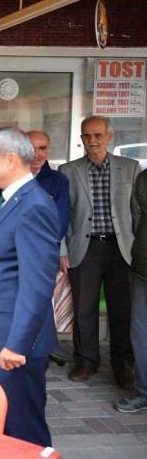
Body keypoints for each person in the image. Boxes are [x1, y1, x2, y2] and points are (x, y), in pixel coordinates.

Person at [0, 127, 60, 447]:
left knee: (25, 432)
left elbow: (36, 286)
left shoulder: (33, 205)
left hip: (15, 343)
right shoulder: (11, 199)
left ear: (11, 160)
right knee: (7, 428)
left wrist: (17, 345)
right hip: (0, 334)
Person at [59, 116, 141, 390]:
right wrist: (62, 249)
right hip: (85, 248)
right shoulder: (68, 171)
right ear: (81, 139)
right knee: (84, 308)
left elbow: (137, 212)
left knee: (122, 310)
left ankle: (123, 366)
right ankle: (85, 362)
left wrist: (139, 249)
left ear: (109, 137)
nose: (92, 141)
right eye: (86, 136)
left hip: (122, 249)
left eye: (97, 135)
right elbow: (62, 216)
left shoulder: (130, 167)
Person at [116, 168, 147, 413]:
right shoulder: (143, 179)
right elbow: (136, 220)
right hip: (141, 267)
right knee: (140, 332)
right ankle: (143, 391)